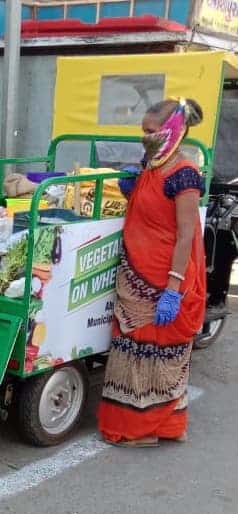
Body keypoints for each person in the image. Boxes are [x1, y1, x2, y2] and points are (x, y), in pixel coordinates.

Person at [98, 98, 206, 447]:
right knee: (133, 352)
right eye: (143, 130)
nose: (144, 137)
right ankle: (161, 425)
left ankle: (142, 429)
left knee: (154, 355)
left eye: (150, 131)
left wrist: (173, 290)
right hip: (136, 272)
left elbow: (186, 235)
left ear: (173, 130)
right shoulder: (152, 165)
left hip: (161, 281)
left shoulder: (184, 174)